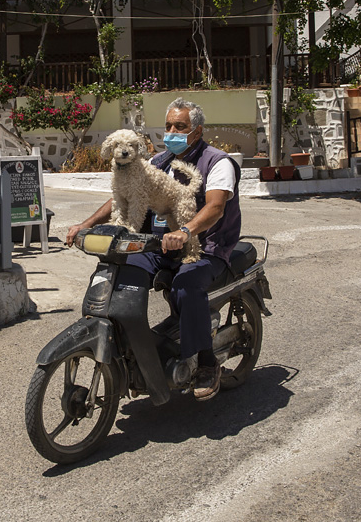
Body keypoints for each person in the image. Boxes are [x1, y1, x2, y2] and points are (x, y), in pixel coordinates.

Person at [66, 97, 241, 402]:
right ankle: (136, 351)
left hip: (206, 247)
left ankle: (206, 363)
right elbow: (120, 197)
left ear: (196, 132)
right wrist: (86, 224)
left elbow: (215, 207)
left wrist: (185, 230)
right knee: (123, 274)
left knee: (187, 285)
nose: (172, 131)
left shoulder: (217, 162)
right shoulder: (157, 162)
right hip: (158, 246)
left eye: (180, 126)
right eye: (169, 125)